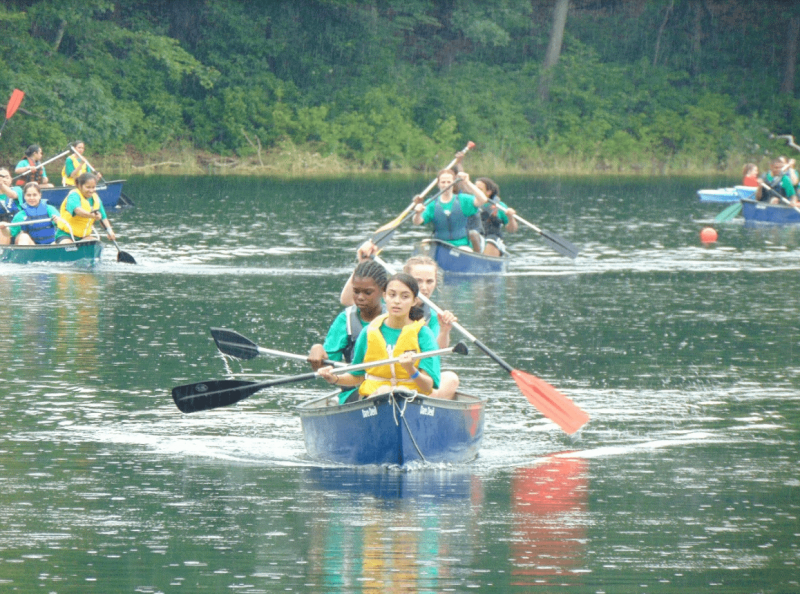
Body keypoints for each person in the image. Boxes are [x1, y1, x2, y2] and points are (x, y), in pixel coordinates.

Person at [340, 244, 460, 399]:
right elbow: (348, 300)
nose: (424, 287)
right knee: (385, 391)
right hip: (381, 383)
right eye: (418, 281)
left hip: (414, 380)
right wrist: (362, 265)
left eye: (429, 281)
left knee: (450, 379)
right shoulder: (390, 307)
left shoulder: (436, 315)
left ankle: (421, 410)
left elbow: (435, 352)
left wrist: (445, 330)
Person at [318, 273, 448, 399]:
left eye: (405, 297)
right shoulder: (368, 332)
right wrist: (334, 378)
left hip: (411, 399)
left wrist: (410, 369)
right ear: (384, 296)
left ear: (414, 301)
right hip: (374, 399)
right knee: (384, 391)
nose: (397, 301)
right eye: (392, 295)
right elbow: (357, 376)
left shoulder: (424, 335)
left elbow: (427, 387)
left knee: (393, 392)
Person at [308, 260, 388, 404]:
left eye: (367, 292)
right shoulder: (345, 320)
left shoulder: (397, 316)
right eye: (356, 291)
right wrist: (317, 350)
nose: (360, 297)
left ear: (384, 291)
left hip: (396, 387)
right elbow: (328, 367)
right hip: (355, 391)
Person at [412, 169, 488, 249]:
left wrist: (467, 182)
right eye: (443, 182)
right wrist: (417, 213)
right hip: (440, 245)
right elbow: (417, 222)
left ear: (454, 183)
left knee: (465, 249)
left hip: (462, 245)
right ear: (438, 184)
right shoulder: (431, 203)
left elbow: (483, 199)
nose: (446, 185)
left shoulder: (463, 199)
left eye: (449, 182)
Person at [55, 172, 116, 243]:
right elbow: (78, 211)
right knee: (68, 244)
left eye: (93, 187)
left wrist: (109, 231)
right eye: (88, 187)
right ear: (79, 186)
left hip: (84, 236)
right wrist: (92, 215)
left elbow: (103, 217)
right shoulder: (73, 195)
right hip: (65, 234)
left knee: (95, 243)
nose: (91, 190)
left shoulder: (96, 198)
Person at [474, 177, 518, 257]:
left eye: (479, 190)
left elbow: (512, 230)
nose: (475, 192)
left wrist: (511, 218)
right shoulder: (467, 203)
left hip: (492, 238)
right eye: (474, 189)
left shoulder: (500, 207)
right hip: (474, 237)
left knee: (490, 241)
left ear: (488, 192)